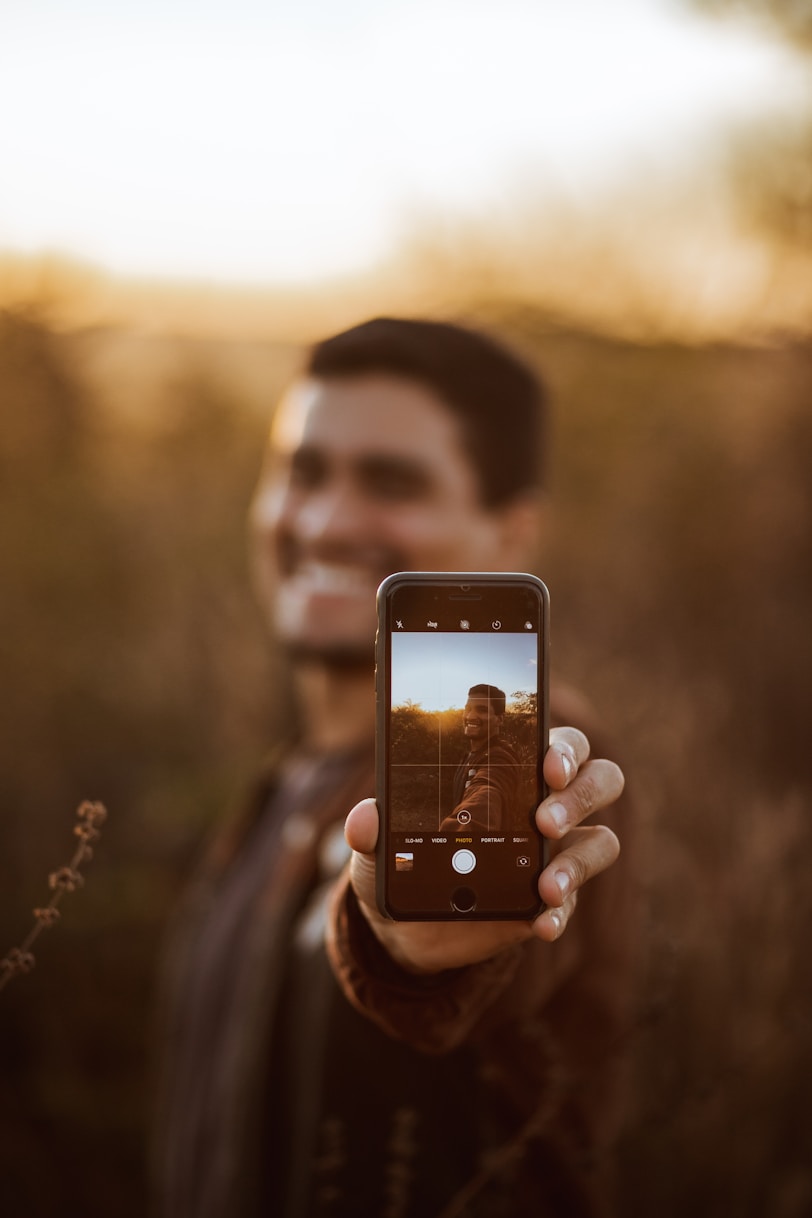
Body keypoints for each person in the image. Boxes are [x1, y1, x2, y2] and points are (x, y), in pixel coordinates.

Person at [152, 317, 636, 1218]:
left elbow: (472, 964)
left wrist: (415, 954)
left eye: (392, 481)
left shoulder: (533, 756)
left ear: (510, 530)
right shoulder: (283, 784)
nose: (328, 521)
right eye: (303, 471)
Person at [441, 683, 526, 833]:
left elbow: (486, 792)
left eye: (482, 710)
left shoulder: (501, 759)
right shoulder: (470, 755)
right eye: (468, 709)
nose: (470, 716)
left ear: (500, 719)